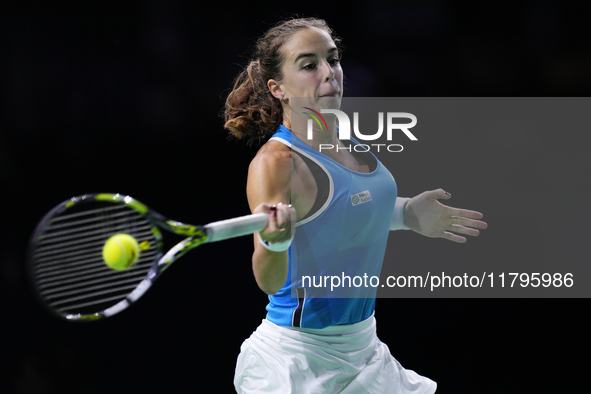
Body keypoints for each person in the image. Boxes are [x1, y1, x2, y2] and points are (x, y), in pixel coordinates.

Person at [223, 17, 487, 394]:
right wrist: (275, 242)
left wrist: (407, 213)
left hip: (365, 350)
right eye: (310, 64)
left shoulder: (347, 141)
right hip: (296, 362)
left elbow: (345, 212)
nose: (329, 73)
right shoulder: (276, 163)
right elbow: (268, 280)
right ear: (277, 87)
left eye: (333, 59)